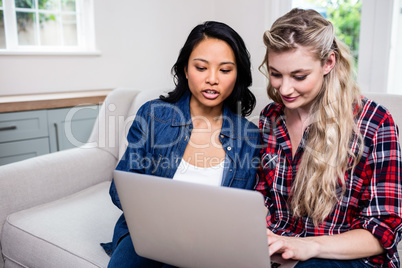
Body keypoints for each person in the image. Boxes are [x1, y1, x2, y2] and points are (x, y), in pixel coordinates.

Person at [101, 21, 261, 267]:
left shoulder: (249, 137)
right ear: (186, 70)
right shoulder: (154, 115)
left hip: (211, 242)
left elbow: (248, 210)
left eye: (225, 70)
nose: (212, 79)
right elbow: (121, 187)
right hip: (148, 234)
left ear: (237, 74)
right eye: (201, 67)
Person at [256, 8, 402, 268]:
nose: (284, 89)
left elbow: (383, 230)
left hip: (349, 259)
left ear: (328, 63)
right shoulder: (270, 117)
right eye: (276, 74)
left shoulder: (374, 123)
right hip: (282, 254)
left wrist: (310, 246)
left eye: (299, 76)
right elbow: (262, 199)